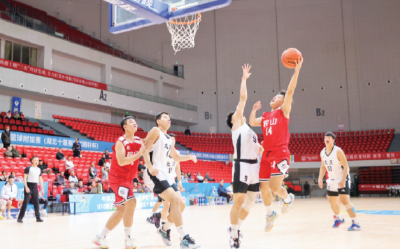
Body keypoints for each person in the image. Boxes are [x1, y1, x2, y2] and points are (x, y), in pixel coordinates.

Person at [249, 58, 303, 231]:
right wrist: (253, 110)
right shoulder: (265, 115)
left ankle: (288, 199)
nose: (275, 97)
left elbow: (290, 90)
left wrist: (296, 71)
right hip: (266, 153)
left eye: (279, 96)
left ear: (283, 101)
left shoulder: (283, 111)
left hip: (280, 153)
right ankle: (269, 213)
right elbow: (252, 122)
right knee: (264, 188)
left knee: (274, 187)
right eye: (275, 95)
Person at [143, 112, 200, 248]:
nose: (168, 119)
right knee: (173, 200)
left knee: (181, 204)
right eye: (164, 117)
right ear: (158, 121)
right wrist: (149, 166)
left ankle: (164, 229)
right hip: (154, 173)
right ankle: (184, 238)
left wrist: (190, 157)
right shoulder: (155, 131)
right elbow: (144, 148)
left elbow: (176, 157)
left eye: (169, 117)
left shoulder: (168, 138)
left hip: (165, 176)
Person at [225, 64, 264, 248]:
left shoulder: (250, 130)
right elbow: (243, 98)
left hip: (254, 166)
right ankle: (234, 237)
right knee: (239, 201)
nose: (238, 114)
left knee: (250, 203)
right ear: (233, 120)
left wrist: (262, 150)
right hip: (242, 166)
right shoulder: (237, 127)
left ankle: (235, 228)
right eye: (236, 115)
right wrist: (243, 79)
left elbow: (258, 148)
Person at [93, 116, 146, 249]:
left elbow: (147, 148)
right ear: (125, 127)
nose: (134, 123)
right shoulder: (120, 142)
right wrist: (139, 154)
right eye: (130, 122)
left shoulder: (139, 140)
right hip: (117, 178)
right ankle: (128, 240)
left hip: (128, 179)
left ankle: (100, 237)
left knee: (121, 210)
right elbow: (122, 161)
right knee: (132, 202)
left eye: (135, 121)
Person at [318, 132, 361, 231]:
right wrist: (320, 178)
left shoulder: (338, 151)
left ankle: (355, 222)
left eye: (329, 137)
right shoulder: (322, 152)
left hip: (342, 178)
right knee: (332, 202)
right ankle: (339, 218)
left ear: (333, 140)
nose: (327, 139)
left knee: (345, 201)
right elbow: (323, 166)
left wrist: (343, 180)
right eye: (325, 137)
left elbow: (346, 166)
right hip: (331, 180)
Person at [17, 156, 44, 223]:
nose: (36, 161)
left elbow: (40, 179)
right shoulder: (28, 168)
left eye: (37, 160)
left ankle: (38, 218)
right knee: (25, 202)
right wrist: (26, 187)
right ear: (32, 161)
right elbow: (24, 178)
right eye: (35, 160)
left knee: (36, 202)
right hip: (28, 185)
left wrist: (42, 189)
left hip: (35, 186)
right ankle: (20, 218)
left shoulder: (39, 169)